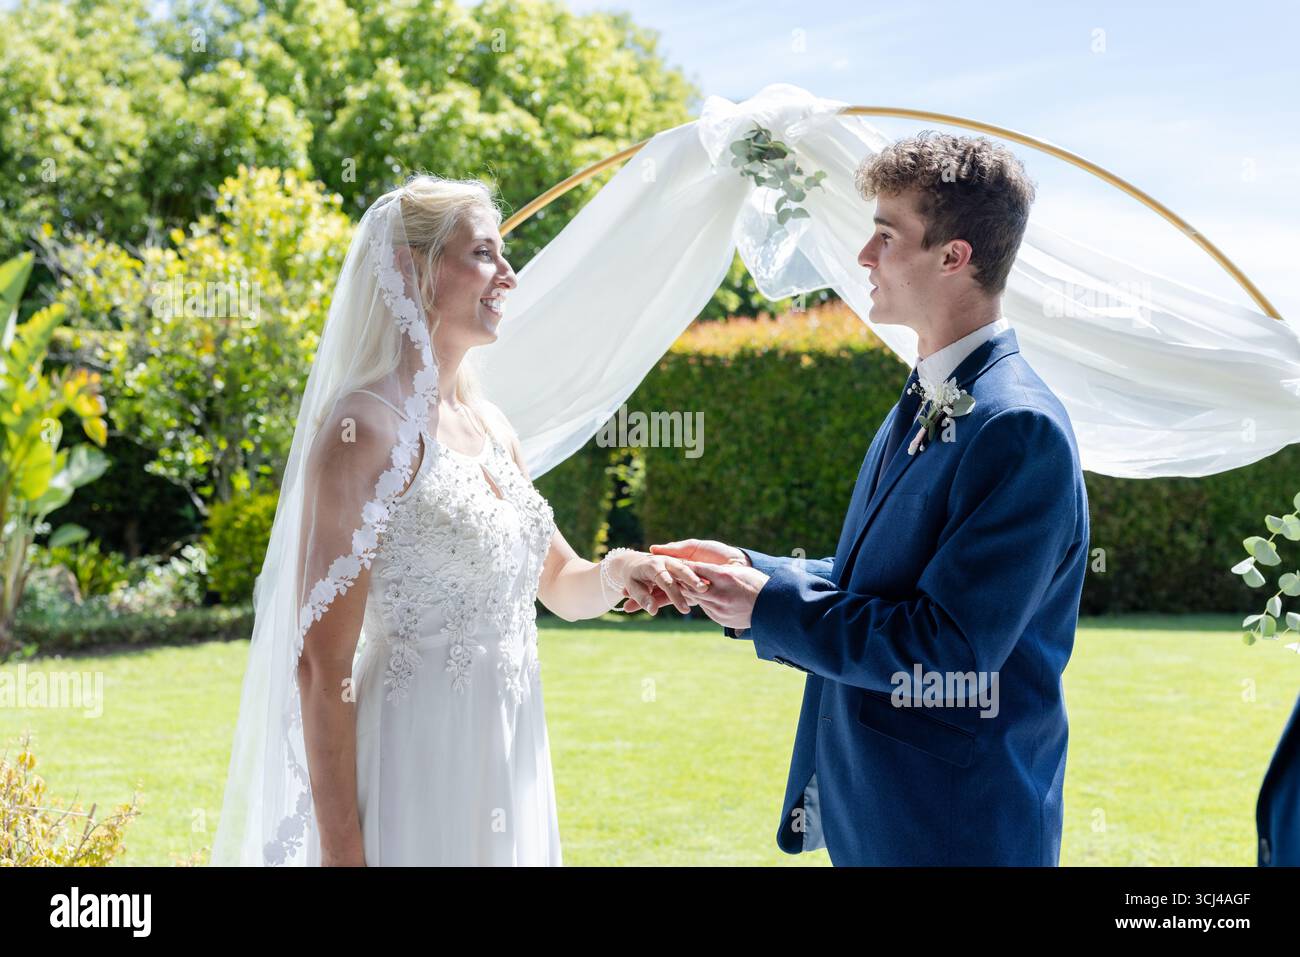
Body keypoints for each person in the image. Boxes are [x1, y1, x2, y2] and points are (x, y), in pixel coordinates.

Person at [212, 174, 702, 866]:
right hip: (415, 767)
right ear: (415, 270)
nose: (509, 274)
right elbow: (322, 669)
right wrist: (345, 852)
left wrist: (620, 568)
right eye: (485, 254)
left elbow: (559, 580)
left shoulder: (494, 428)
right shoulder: (363, 430)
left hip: (508, 758)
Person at [640, 132, 1091, 865]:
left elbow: (947, 654)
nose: (863, 258)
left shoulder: (1021, 430)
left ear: (955, 256)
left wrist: (771, 605)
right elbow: (873, 581)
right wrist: (746, 572)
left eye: (886, 236)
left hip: (954, 825)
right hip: (876, 811)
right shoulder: (923, 393)